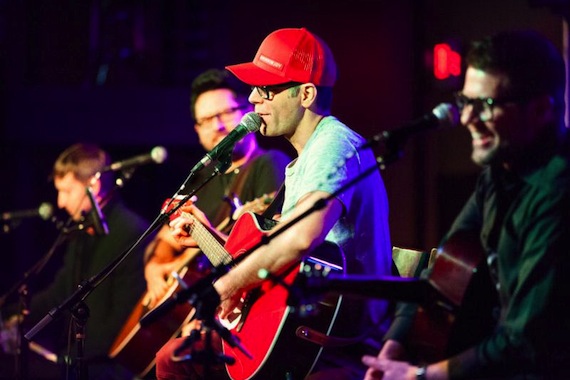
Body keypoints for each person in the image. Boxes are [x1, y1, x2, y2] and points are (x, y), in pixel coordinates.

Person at [161, 27, 393, 379]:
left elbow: (301, 238)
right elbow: (277, 259)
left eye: (266, 89)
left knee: (176, 359)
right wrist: (207, 235)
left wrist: (223, 287)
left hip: (337, 336)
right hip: (302, 320)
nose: (253, 99)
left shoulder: (333, 144)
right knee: (176, 355)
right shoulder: (301, 162)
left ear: (306, 94)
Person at [363, 29, 570, 379]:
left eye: (485, 105)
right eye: (465, 101)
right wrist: (394, 346)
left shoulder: (557, 193)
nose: (466, 118)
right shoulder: (496, 175)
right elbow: (442, 272)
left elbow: (524, 342)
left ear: (540, 110)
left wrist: (418, 376)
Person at [144, 68, 291, 309]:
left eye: (226, 113)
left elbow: (268, 248)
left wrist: (208, 235)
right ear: (197, 130)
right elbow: (164, 238)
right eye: (206, 120)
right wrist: (155, 268)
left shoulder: (269, 164)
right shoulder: (203, 177)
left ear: (247, 111)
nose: (218, 126)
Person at [1, 143, 150, 379]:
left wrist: (64, 360)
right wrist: (9, 313)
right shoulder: (83, 232)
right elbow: (58, 294)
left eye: (67, 191)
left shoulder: (131, 233)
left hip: (109, 368)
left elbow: (124, 321)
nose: (60, 202)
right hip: (81, 360)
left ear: (95, 185)